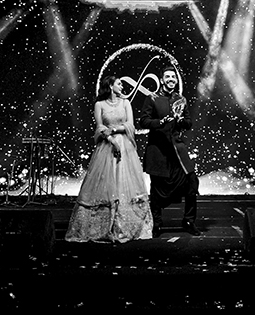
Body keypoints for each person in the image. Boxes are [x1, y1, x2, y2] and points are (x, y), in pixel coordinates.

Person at [65, 76, 153, 243]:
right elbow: (99, 127)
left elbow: (130, 125)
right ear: (111, 86)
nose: (122, 86)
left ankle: (126, 226)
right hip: (106, 147)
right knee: (105, 182)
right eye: (119, 83)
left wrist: (113, 130)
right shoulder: (99, 104)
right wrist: (111, 139)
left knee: (124, 182)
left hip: (125, 147)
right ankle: (102, 226)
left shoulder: (125, 103)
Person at [135, 67, 200, 236]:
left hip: (177, 150)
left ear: (176, 80)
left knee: (192, 182)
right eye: (167, 77)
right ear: (162, 80)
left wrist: (181, 120)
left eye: (173, 77)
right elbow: (143, 121)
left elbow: (188, 123)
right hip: (158, 151)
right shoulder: (152, 98)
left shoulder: (181, 99)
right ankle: (156, 223)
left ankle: (189, 221)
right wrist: (160, 122)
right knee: (157, 189)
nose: (171, 79)